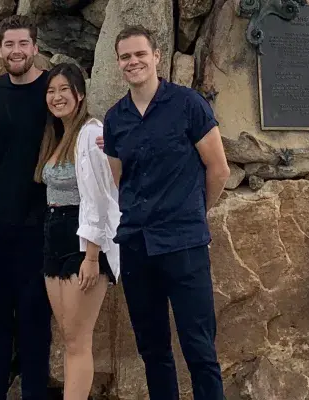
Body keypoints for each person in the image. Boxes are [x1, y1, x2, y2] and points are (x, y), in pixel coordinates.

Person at [102, 25, 230, 400]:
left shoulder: (188, 104)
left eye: (140, 54)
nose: (133, 62)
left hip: (184, 244)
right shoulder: (115, 118)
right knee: (153, 351)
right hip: (137, 246)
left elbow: (218, 169)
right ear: (118, 64)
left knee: (200, 348)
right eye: (125, 56)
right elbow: (118, 180)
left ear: (156, 56)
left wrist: (194, 212)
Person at [33, 63, 120, 399]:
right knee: (68, 335)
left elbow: (100, 196)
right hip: (53, 235)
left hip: (81, 240)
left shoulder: (91, 134)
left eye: (63, 90)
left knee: (78, 339)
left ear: (79, 94)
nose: (56, 97)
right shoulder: (55, 136)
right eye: (51, 91)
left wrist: (92, 255)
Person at [0, 15, 52, 399]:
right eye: (9, 44)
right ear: (0, 49)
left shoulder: (51, 90)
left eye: (23, 44)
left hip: (38, 222)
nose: (16, 51)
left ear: (35, 48)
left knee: (36, 318)